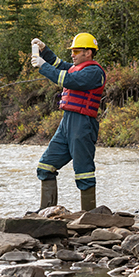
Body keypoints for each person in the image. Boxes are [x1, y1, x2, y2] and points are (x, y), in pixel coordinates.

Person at [31, 33, 106, 211]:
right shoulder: (77, 67)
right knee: (45, 166)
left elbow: (68, 79)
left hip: (83, 124)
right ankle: (46, 212)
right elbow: (59, 65)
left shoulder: (94, 72)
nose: (72, 54)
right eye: (72, 51)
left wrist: (42, 66)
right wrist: (44, 51)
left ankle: (89, 216)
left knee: (84, 172)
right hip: (67, 123)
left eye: (76, 51)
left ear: (88, 53)